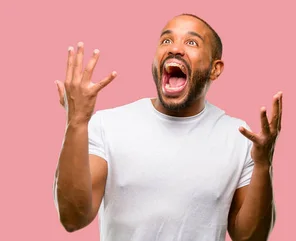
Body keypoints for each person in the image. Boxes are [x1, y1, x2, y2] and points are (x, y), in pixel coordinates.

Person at [52, 13, 281, 241]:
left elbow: (251, 238)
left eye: (191, 42)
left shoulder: (239, 137)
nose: (175, 49)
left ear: (215, 69)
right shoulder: (108, 125)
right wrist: (76, 123)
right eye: (166, 41)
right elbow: (73, 218)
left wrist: (263, 164)